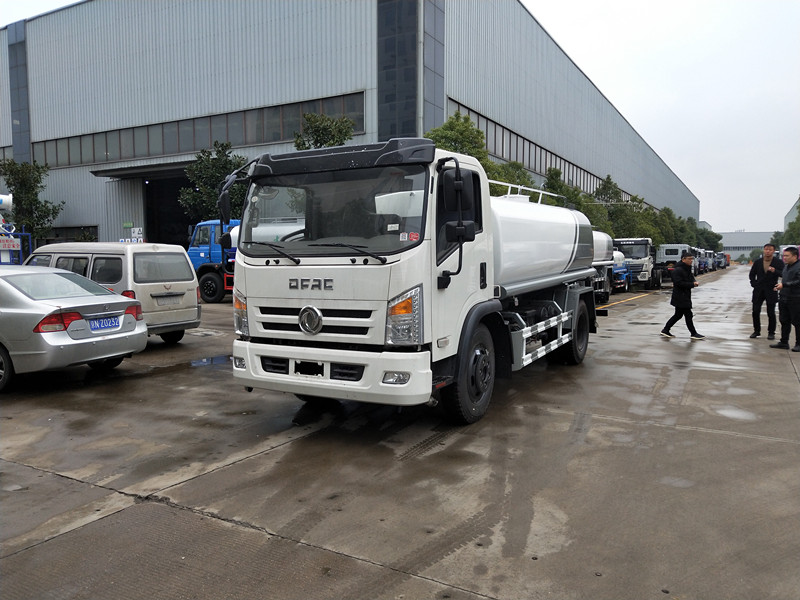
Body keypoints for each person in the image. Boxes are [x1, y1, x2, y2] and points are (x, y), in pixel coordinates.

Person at [661, 250, 705, 340]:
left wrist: (694, 281)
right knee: (688, 315)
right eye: (689, 259)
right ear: (683, 259)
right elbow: (678, 283)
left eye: (692, 259)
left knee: (678, 315)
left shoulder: (687, 268)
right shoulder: (678, 270)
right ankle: (693, 333)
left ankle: (666, 330)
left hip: (685, 295)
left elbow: (690, 278)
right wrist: (692, 284)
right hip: (680, 296)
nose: (691, 261)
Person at [748, 243, 783, 339]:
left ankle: (771, 332)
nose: (768, 251)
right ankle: (756, 331)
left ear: (773, 251)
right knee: (755, 311)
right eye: (766, 249)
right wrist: (754, 283)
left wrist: (774, 271)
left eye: (770, 249)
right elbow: (752, 274)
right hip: (758, 289)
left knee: (771, 312)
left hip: (771, 289)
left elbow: (783, 274)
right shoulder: (758, 262)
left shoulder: (778, 262)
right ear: (764, 250)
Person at [769, 246, 800, 352]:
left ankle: (798, 344)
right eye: (784, 256)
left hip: (795, 298)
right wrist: (780, 286)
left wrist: (785, 285)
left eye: (787, 256)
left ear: (795, 256)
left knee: (797, 322)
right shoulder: (786, 267)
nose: (784, 258)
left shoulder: (798, 266)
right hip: (784, 297)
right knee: (784, 320)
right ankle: (784, 341)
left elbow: (798, 282)